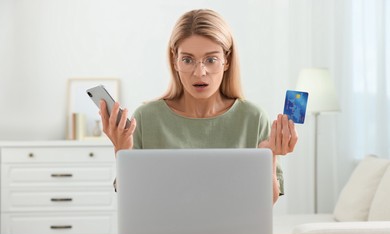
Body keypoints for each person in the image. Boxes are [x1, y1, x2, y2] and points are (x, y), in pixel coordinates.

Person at [99, 9, 298, 204]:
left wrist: (268, 155)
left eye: (211, 60)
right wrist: (122, 150)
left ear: (226, 61)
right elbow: (132, 199)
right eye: (188, 60)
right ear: (175, 61)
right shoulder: (145, 118)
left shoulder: (253, 118)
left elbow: (265, 203)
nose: (199, 72)